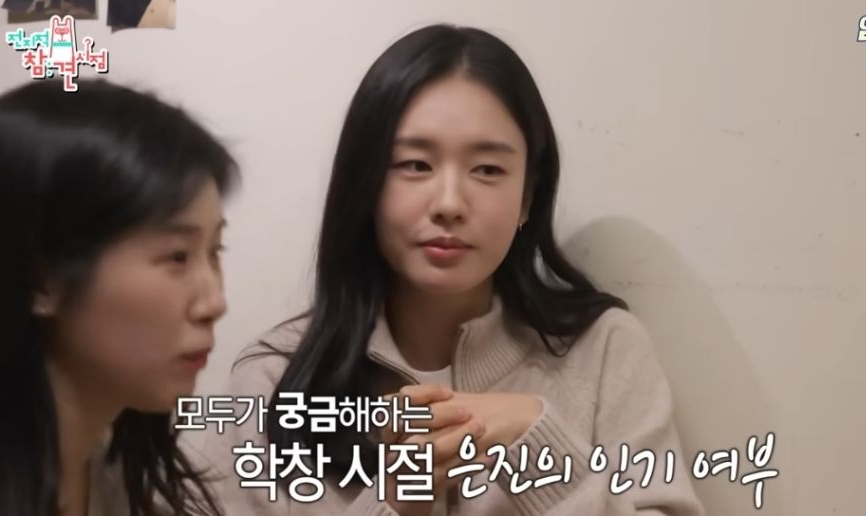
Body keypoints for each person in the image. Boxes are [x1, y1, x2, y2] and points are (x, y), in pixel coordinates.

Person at [206, 24, 705, 516]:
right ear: (367, 185)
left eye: (487, 169)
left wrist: (534, 435)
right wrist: (393, 500)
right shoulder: (276, 378)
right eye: (416, 165)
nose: (449, 203)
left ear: (528, 197)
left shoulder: (604, 351)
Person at [0, 79, 238, 516]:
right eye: (177, 256)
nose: (215, 303)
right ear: (41, 281)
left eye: (215, 252)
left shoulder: (114, 474)